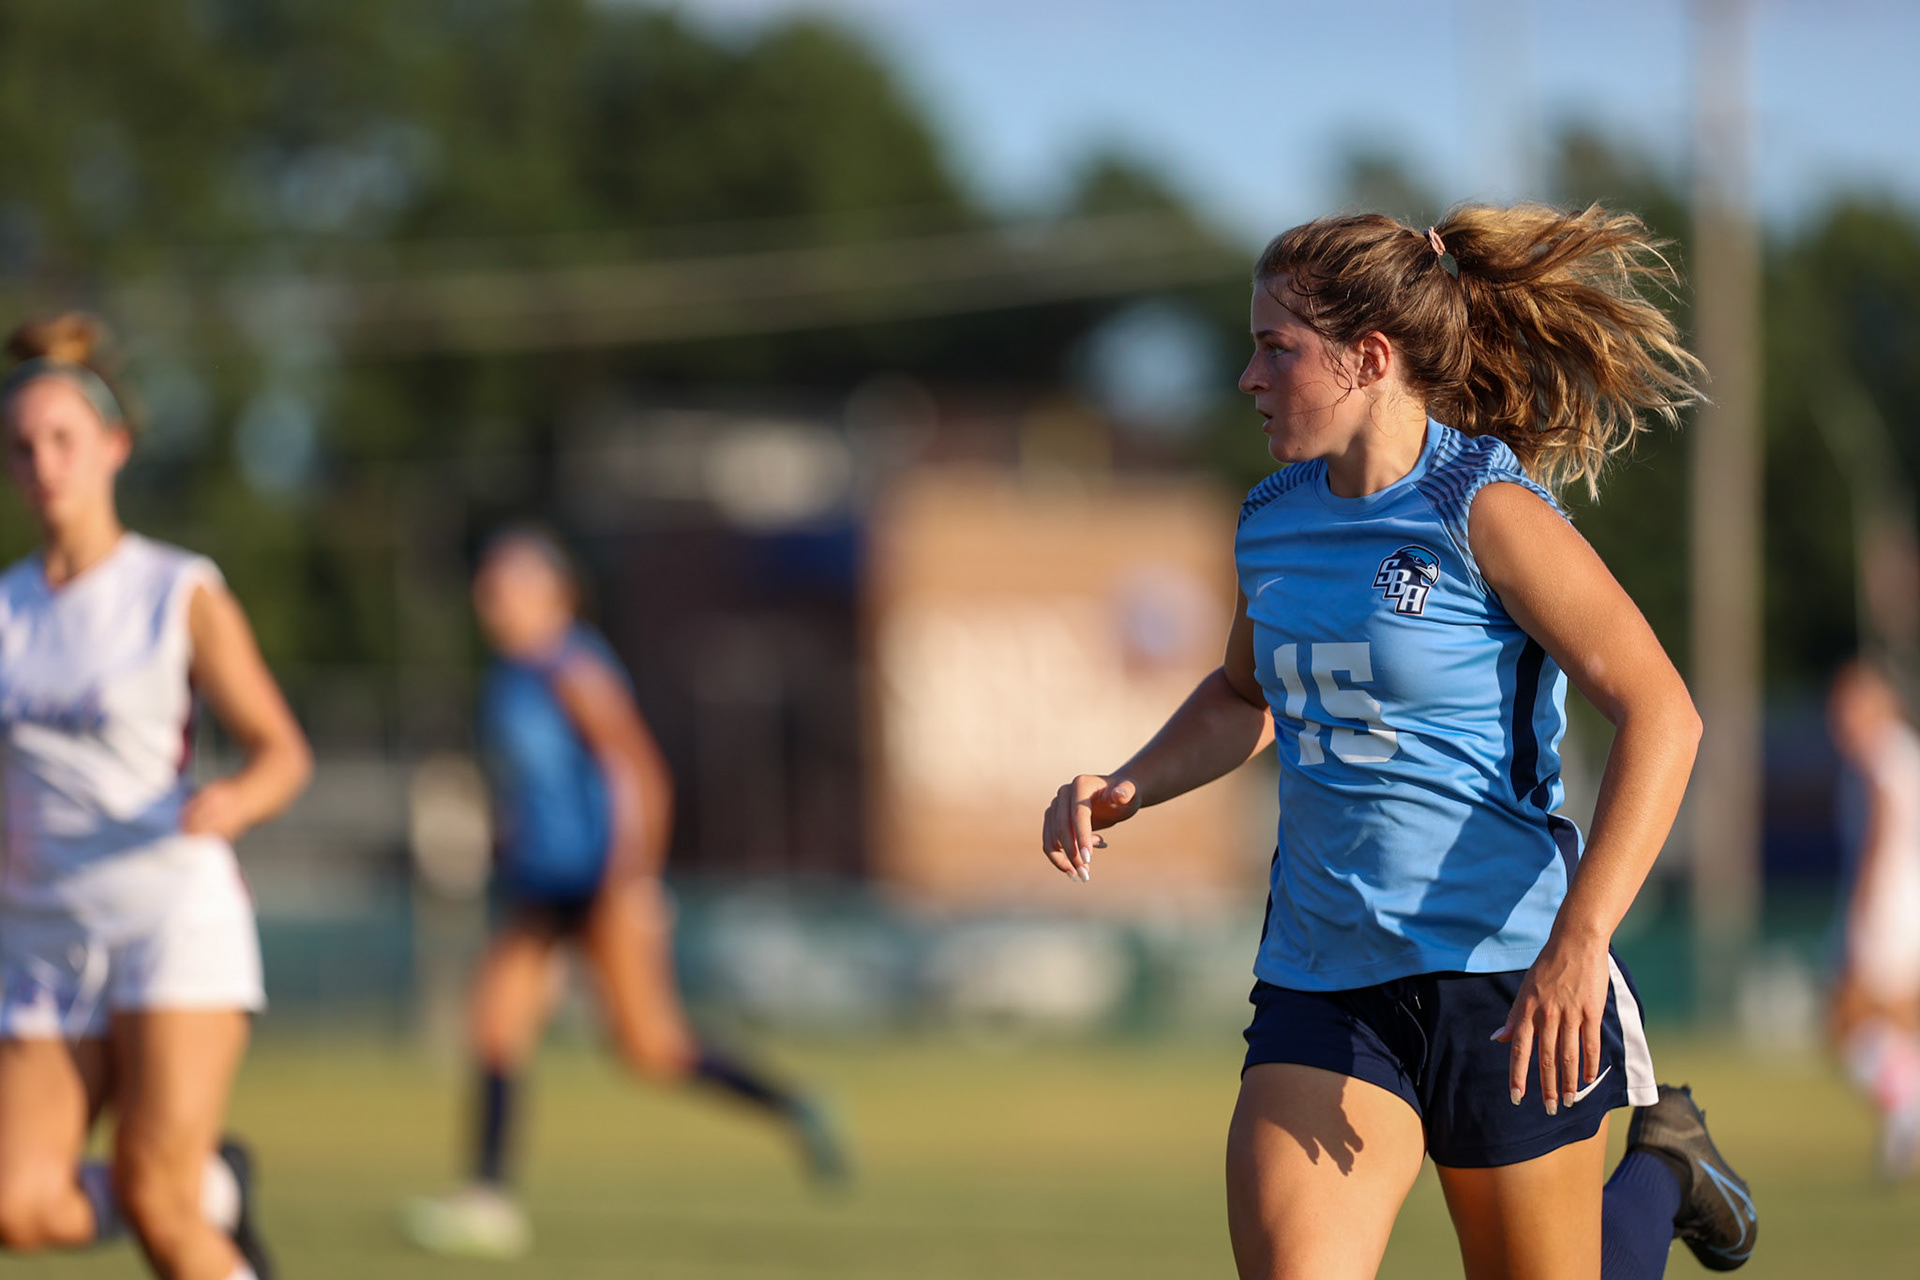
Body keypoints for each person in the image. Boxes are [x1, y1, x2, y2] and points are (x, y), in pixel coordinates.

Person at [1041, 206, 1756, 1279]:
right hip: (1324, 979)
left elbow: (1665, 713)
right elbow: (1244, 695)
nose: (1248, 377)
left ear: (1370, 359)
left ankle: (1666, 1169)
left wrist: (1581, 939)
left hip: (1507, 977)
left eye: (1277, 348)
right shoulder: (1271, 519)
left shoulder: (1488, 510)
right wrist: (1130, 782)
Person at [402, 526, 847, 1259]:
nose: (492, 602)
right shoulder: (507, 678)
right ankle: (488, 1201)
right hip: (543, 885)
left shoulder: (573, 668)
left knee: (652, 1048)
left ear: (554, 596)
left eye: (507, 588)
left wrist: (631, 876)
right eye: (489, 589)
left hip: (601, 881)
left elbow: (636, 770)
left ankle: (794, 1104)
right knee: (494, 1027)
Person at [0, 313, 313, 1280]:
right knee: (16, 1205)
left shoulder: (176, 591)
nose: (45, 464)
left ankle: (191, 1192)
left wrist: (237, 801)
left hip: (167, 917)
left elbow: (282, 753)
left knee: (158, 1204)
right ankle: (217, 1187)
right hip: (44, 936)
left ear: (114, 447)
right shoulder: (6, 608)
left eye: (64, 439)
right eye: (23, 447)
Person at [1825, 659, 1920, 1178]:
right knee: (1895, 1028)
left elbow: (1879, 835)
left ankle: (1908, 1110)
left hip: (1885, 908)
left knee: (1846, 1021)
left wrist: (1861, 906)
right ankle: (1904, 1115)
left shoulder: (1881, 756)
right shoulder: (1903, 751)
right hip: (1903, 907)